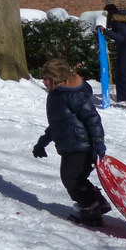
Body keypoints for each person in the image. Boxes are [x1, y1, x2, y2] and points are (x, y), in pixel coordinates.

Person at [33, 58, 112, 226]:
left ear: (57, 78)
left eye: (47, 78)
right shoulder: (56, 94)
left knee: (72, 179)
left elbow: (92, 118)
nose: (43, 81)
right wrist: (42, 142)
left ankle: (91, 212)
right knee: (77, 178)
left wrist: (98, 141)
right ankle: (97, 202)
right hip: (71, 145)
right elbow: (57, 123)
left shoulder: (73, 94)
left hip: (81, 146)